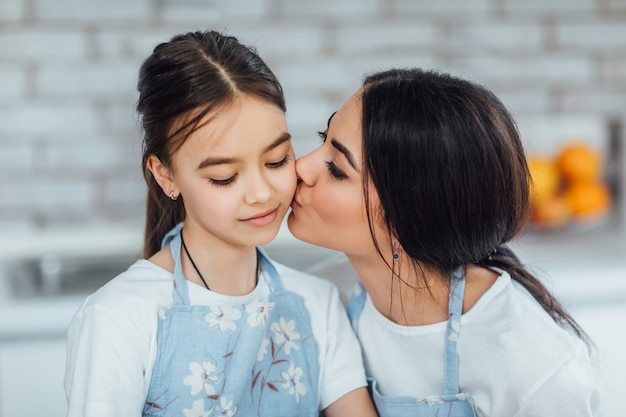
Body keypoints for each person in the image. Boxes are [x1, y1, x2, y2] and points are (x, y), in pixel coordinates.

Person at [64, 30, 376, 417]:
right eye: (225, 177)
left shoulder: (317, 305)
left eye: (277, 160)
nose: (261, 193)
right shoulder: (119, 317)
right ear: (166, 176)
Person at [288, 68, 601, 416]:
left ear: (412, 215)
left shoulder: (535, 369)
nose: (301, 167)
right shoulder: (323, 297)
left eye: (337, 170)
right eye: (322, 139)